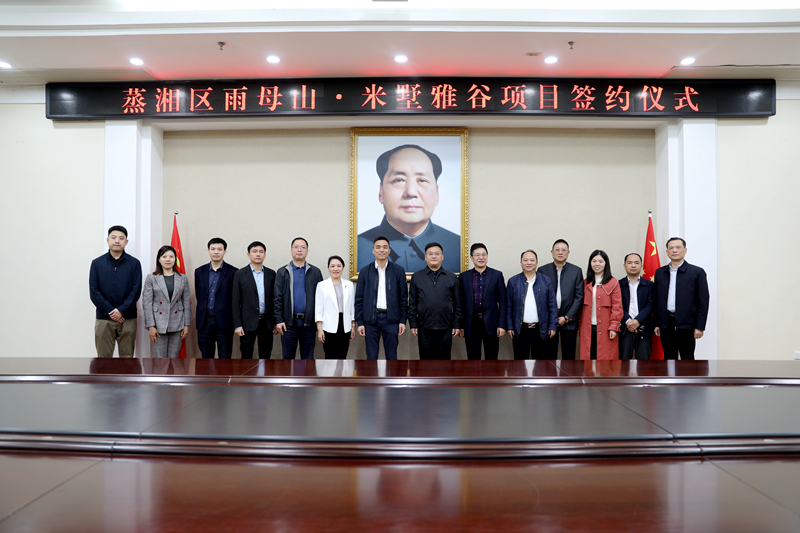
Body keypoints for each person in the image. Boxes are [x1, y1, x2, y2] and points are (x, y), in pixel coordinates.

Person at [357, 144, 460, 272]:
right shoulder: (357, 248)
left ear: (437, 193)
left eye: (422, 180)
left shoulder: (458, 247)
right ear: (381, 191)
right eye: (399, 180)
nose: (411, 192)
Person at [89, 225, 143, 358]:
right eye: (113, 238)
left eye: (121, 238)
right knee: (103, 360)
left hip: (128, 318)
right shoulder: (97, 263)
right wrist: (111, 311)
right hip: (104, 318)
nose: (117, 241)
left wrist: (121, 310)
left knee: (127, 359)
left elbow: (136, 290)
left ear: (126, 242)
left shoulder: (134, 263)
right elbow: (94, 291)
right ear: (107, 240)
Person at [653, 237, 709, 360]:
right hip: (666, 323)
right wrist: (657, 323)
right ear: (667, 252)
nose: (674, 250)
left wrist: (700, 326)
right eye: (671, 248)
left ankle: (688, 380)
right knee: (669, 357)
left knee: (687, 357)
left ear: (685, 250)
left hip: (687, 323)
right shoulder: (660, 273)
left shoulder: (697, 272)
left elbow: (703, 301)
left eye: (678, 247)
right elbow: (656, 300)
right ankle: (669, 380)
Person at [354, 236, 408, 360]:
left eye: (385, 247)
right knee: (371, 357)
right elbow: (359, 299)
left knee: (392, 357)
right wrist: (360, 322)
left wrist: (402, 320)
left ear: (389, 250)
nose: (381, 250)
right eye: (378, 247)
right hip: (370, 321)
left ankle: (392, 379)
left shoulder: (398, 271)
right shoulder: (364, 271)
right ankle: (372, 379)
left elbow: (403, 298)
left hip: (392, 320)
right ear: (373, 250)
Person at [408, 242, 463, 360]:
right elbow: (412, 302)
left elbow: (458, 304)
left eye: (437, 254)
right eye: (430, 254)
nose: (434, 256)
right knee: (425, 363)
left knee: (444, 364)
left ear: (442, 257)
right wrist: (413, 323)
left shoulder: (451, 277)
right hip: (424, 328)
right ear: (425, 257)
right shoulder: (417, 277)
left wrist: (457, 324)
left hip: (446, 328)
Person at [274, 237, 324, 359]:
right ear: (291, 250)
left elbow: (322, 299)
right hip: (288, 323)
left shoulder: (315, 272)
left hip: (309, 324)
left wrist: (319, 324)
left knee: (308, 359)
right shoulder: (282, 272)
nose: (299, 250)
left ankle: (307, 379)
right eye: (296, 247)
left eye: (303, 247)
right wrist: (279, 320)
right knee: (287, 358)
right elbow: (277, 298)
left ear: (307, 251)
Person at [458, 243, 507, 360]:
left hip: (491, 323)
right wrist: (460, 325)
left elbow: (503, 302)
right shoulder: (464, 277)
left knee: (492, 357)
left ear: (487, 256)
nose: (481, 257)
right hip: (471, 323)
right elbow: (460, 303)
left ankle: (491, 379)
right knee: (473, 358)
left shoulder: (497, 275)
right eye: (477, 255)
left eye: (484, 254)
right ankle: (474, 379)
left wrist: (501, 325)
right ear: (471, 258)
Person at [506, 250, 558, 360]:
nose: (529, 263)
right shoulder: (513, 281)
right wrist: (509, 326)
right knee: (520, 364)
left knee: (540, 365)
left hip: (541, 329)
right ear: (521, 263)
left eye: (532, 260)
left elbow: (552, 306)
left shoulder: (546, 281)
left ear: (537, 263)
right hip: (520, 329)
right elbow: (508, 306)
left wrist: (553, 326)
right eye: (525, 260)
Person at [537, 239, 584, 360]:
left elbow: (579, 296)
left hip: (569, 320)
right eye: (557, 250)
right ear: (552, 252)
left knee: (569, 357)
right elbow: (540, 297)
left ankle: (569, 379)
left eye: (563, 250)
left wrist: (567, 317)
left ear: (568, 252)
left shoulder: (576, 271)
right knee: (548, 357)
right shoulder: (542, 270)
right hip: (548, 321)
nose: (560, 252)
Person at [142, 245, 191, 358]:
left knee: (175, 361)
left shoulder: (182, 278)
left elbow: (186, 303)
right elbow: (147, 303)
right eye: (164, 256)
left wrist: (186, 325)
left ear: (175, 259)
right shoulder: (152, 278)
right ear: (159, 259)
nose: (168, 259)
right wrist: (151, 326)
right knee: (159, 362)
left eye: (171, 256)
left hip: (178, 324)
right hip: (158, 325)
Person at [232, 241, 277, 359]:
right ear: (248, 255)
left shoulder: (272, 274)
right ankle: (247, 378)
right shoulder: (240, 274)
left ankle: (264, 377)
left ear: (265, 255)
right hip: (247, 323)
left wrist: (275, 322)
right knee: (246, 355)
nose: (258, 254)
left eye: (261, 252)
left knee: (266, 355)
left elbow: (275, 300)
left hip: (266, 322)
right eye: (254, 251)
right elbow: (235, 302)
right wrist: (237, 325)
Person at [194, 238, 237, 359]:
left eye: (219, 249)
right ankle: (208, 379)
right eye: (213, 249)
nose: (216, 252)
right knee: (206, 359)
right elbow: (199, 295)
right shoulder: (199, 271)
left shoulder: (233, 272)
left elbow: (234, 299)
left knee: (225, 358)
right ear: (208, 251)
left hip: (224, 322)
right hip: (204, 321)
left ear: (225, 251)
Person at [578, 250, 623, 360]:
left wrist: (614, 327)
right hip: (586, 328)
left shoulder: (613, 283)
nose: (597, 264)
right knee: (588, 357)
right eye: (594, 261)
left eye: (600, 261)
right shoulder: (584, 283)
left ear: (606, 263)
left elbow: (617, 307)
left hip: (606, 328)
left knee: (605, 358)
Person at [315, 255, 356, 359]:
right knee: (330, 357)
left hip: (345, 325)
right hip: (328, 326)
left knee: (342, 356)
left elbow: (352, 307)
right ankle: (329, 376)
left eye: (339, 266)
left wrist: (353, 326)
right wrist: (320, 329)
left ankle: (341, 376)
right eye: (332, 266)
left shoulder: (349, 285)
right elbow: (318, 308)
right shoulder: (322, 285)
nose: (336, 269)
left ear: (343, 268)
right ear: (328, 268)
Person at [619, 253, 655, 360]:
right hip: (625, 329)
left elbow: (650, 305)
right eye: (629, 263)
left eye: (636, 263)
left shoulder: (650, 285)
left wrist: (637, 321)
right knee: (624, 365)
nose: (633, 265)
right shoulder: (618, 285)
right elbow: (617, 306)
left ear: (641, 266)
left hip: (645, 329)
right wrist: (628, 321)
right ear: (624, 266)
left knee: (644, 365)